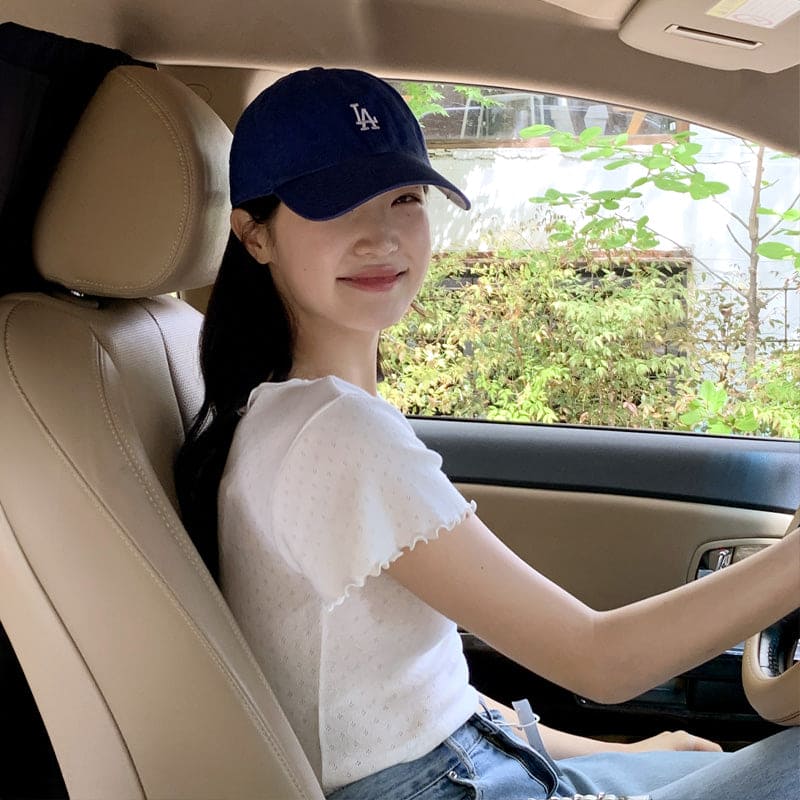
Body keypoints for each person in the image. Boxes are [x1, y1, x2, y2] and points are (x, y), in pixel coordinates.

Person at [175, 67, 800, 800]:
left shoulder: (283, 412)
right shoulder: (338, 434)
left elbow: (422, 692)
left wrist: (612, 751)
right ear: (254, 234)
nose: (381, 237)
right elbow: (600, 662)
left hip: (470, 764)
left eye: (404, 199)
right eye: (336, 205)